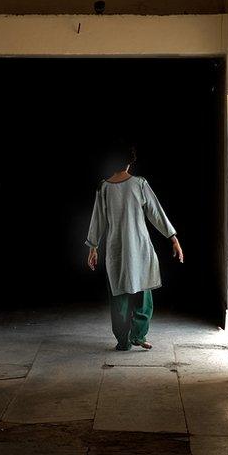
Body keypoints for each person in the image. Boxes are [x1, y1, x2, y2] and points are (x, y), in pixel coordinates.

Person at [86, 143, 183, 350]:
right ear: (131, 161)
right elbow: (156, 212)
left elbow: (97, 220)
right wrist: (172, 237)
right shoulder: (139, 184)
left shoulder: (104, 187)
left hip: (116, 249)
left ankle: (123, 341)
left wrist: (93, 246)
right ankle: (137, 336)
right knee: (143, 294)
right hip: (138, 246)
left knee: (119, 297)